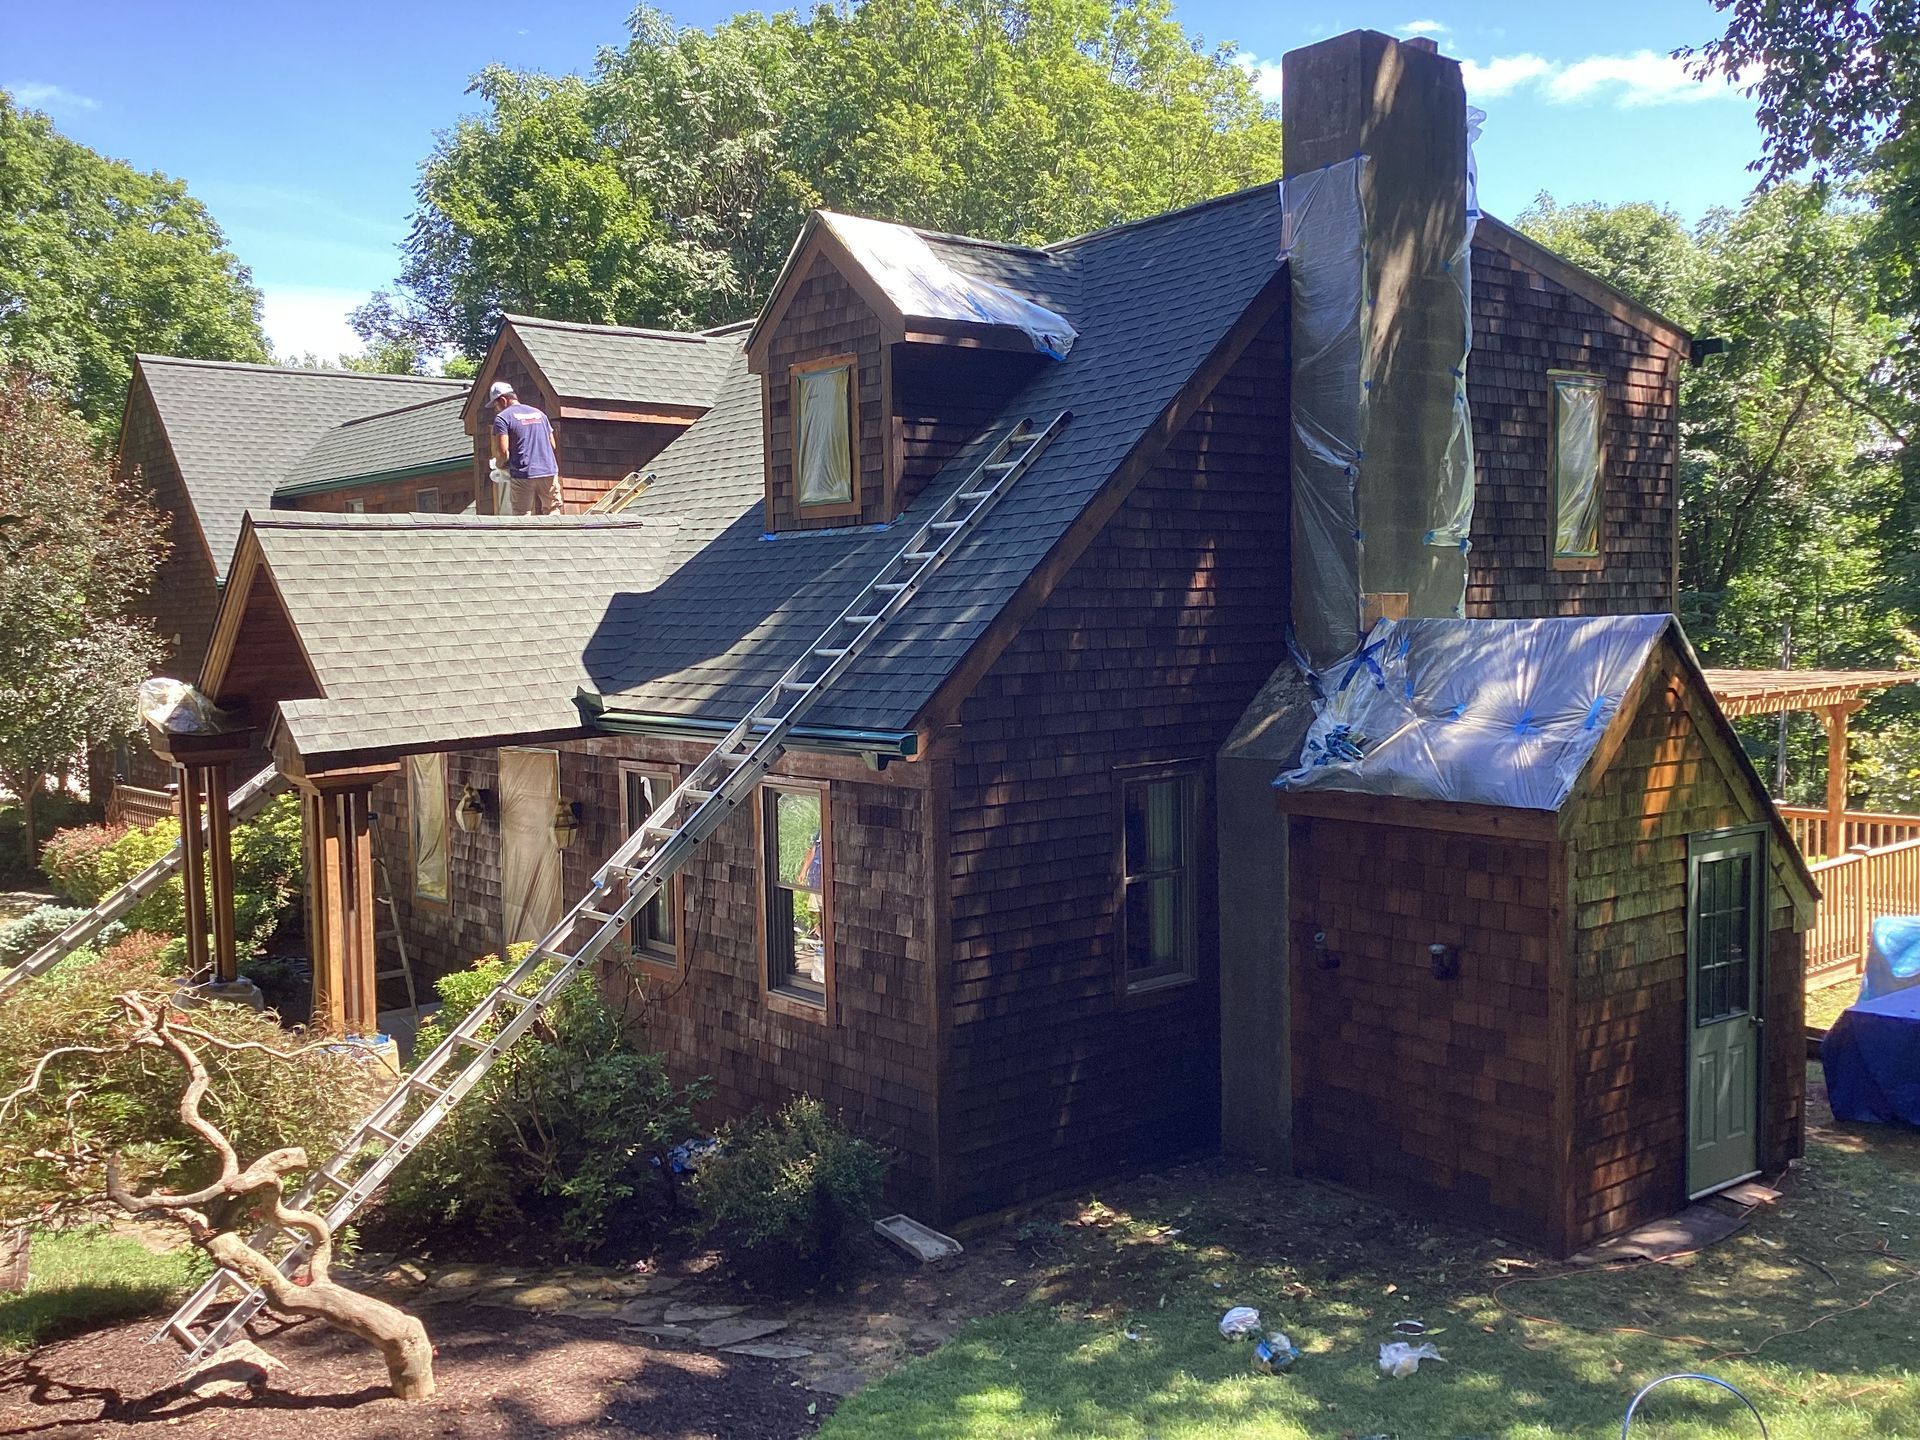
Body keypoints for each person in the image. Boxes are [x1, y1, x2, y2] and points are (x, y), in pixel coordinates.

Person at [487, 381, 561, 515]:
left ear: (503, 400)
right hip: (548, 470)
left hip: (523, 474)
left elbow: (503, 452)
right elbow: (553, 445)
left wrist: (500, 466)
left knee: (522, 516)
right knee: (553, 511)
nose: (496, 409)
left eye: (495, 405)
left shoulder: (502, 418)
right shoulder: (540, 414)